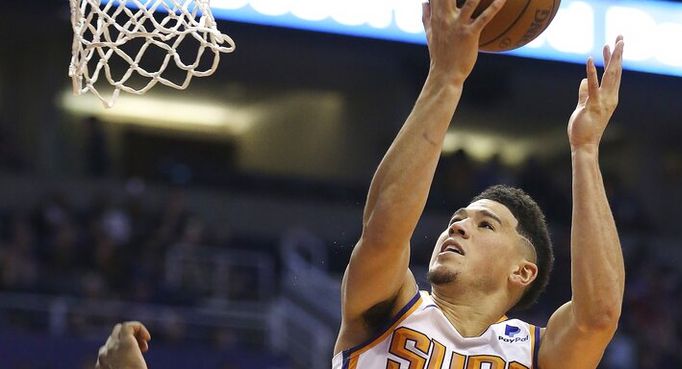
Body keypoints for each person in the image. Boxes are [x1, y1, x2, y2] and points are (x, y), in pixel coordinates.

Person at [94, 0, 626, 368]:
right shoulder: (391, 308)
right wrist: (446, 78)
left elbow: (599, 314)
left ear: (522, 271)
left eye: (484, 224)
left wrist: (584, 150)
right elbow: (384, 230)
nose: (455, 229)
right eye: (458, 219)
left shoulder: (536, 352)